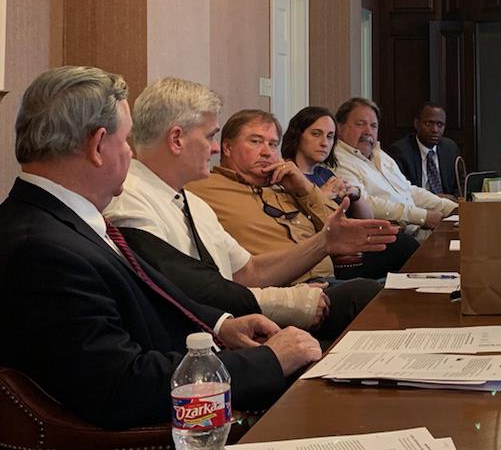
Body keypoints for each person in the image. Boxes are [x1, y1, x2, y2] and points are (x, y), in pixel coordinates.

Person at [0, 67, 320, 430]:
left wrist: (222, 326)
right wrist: (269, 362)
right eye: (126, 141)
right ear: (97, 146)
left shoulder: (63, 222)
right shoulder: (42, 250)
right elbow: (122, 385)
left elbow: (148, 295)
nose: (130, 152)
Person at [105, 79, 389, 341]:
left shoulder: (193, 203)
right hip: (201, 343)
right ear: (177, 139)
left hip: (249, 314)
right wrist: (288, 302)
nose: (214, 148)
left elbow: (248, 271)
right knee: (365, 298)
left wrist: (324, 242)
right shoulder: (130, 199)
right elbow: (185, 290)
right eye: (210, 136)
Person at [189, 108, 415, 280]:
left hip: (327, 277)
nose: (267, 152)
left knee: (402, 261)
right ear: (226, 148)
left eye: (272, 144)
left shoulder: (282, 182)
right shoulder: (204, 188)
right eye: (256, 142)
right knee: (377, 292)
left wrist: (305, 189)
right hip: (289, 286)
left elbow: (338, 226)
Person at [332, 97, 457, 234]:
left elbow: (408, 190)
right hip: (393, 236)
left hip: (418, 229)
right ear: (339, 127)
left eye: (373, 126)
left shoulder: (379, 155)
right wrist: (423, 217)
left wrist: (450, 208)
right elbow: (367, 202)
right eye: (360, 124)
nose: (368, 131)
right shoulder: (338, 161)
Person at [386, 103, 460, 197]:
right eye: (428, 123)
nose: (435, 130)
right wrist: (435, 200)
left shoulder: (450, 148)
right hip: (418, 208)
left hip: (449, 207)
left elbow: (460, 186)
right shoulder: (400, 152)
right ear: (416, 124)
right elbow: (400, 191)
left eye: (440, 125)